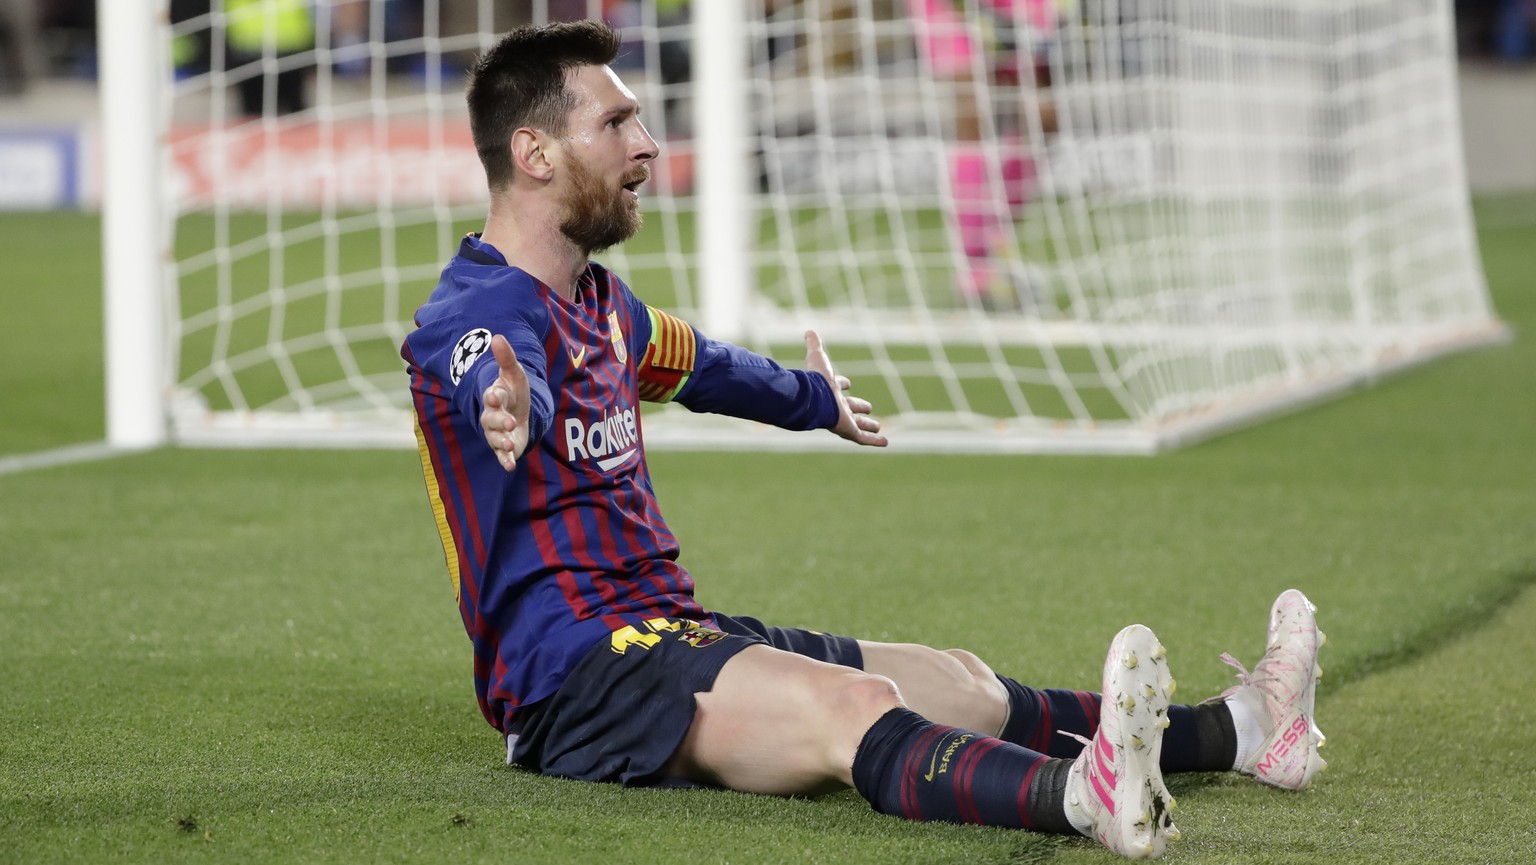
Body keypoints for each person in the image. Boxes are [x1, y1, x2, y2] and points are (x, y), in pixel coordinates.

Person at [401, 20, 1326, 860]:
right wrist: (501, 398)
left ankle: (1246, 727)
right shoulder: (476, 314)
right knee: (855, 710)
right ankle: (1082, 797)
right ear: (534, 152)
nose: (646, 145)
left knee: (955, 683)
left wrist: (813, 398)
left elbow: (707, 366)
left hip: (664, 627)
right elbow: (488, 354)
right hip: (577, 680)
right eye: (617, 124)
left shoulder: (605, 308)